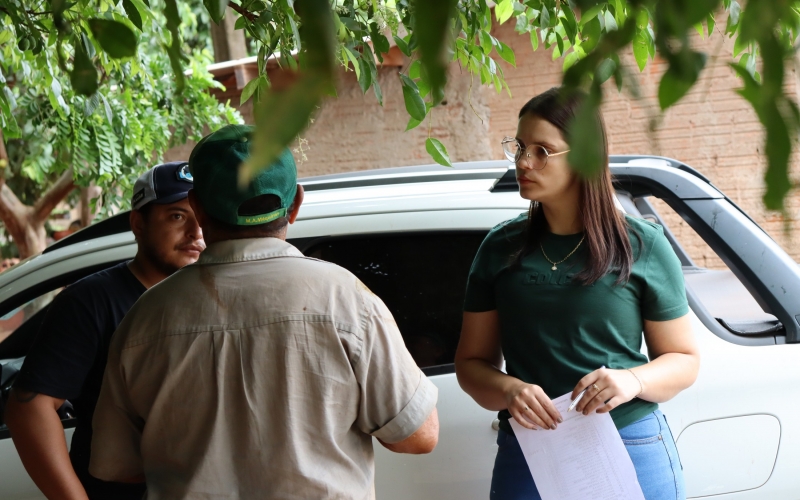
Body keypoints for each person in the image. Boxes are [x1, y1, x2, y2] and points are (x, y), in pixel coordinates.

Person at [88, 124, 439, 499]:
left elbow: (119, 467)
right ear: (297, 204)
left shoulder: (144, 319)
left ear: (197, 207)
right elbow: (417, 437)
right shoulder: (347, 300)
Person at [454, 87, 700, 500]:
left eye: (542, 150)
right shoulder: (500, 247)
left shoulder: (642, 245)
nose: (523, 162)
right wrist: (510, 390)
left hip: (629, 444)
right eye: (519, 146)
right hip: (531, 449)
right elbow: (471, 364)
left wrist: (631, 381)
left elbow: (684, 361)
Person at [6, 161, 205, 500]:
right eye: (177, 216)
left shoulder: (219, 292)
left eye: (203, 217)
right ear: (138, 223)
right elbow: (29, 408)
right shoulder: (91, 302)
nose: (195, 232)